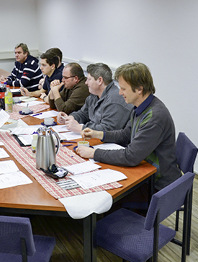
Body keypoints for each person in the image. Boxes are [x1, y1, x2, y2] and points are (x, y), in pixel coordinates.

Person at [77, 62, 181, 191]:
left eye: (123, 89)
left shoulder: (155, 117)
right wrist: (97, 134)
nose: (120, 93)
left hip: (156, 184)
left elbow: (131, 157)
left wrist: (94, 153)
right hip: (145, 172)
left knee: (104, 195)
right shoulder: (140, 107)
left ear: (139, 89)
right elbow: (126, 134)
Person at [57, 63, 131, 134]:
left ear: (100, 80)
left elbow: (108, 129)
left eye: (89, 79)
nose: (86, 82)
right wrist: (70, 118)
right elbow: (83, 114)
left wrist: (81, 128)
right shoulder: (94, 95)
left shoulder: (114, 99)